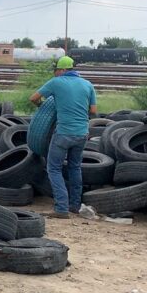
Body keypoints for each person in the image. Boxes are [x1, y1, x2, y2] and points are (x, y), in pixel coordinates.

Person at [30, 55, 97, 219]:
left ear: (62, 70)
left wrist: (44, 108)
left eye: (56, 71)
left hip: (63, 133)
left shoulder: (56, 82)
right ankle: (74, 205)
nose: (55, 74)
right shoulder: (88, 84)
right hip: (82, 133)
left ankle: (61, 208)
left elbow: (33, 98)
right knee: (75, 167)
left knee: (54, 168)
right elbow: (94, 111)